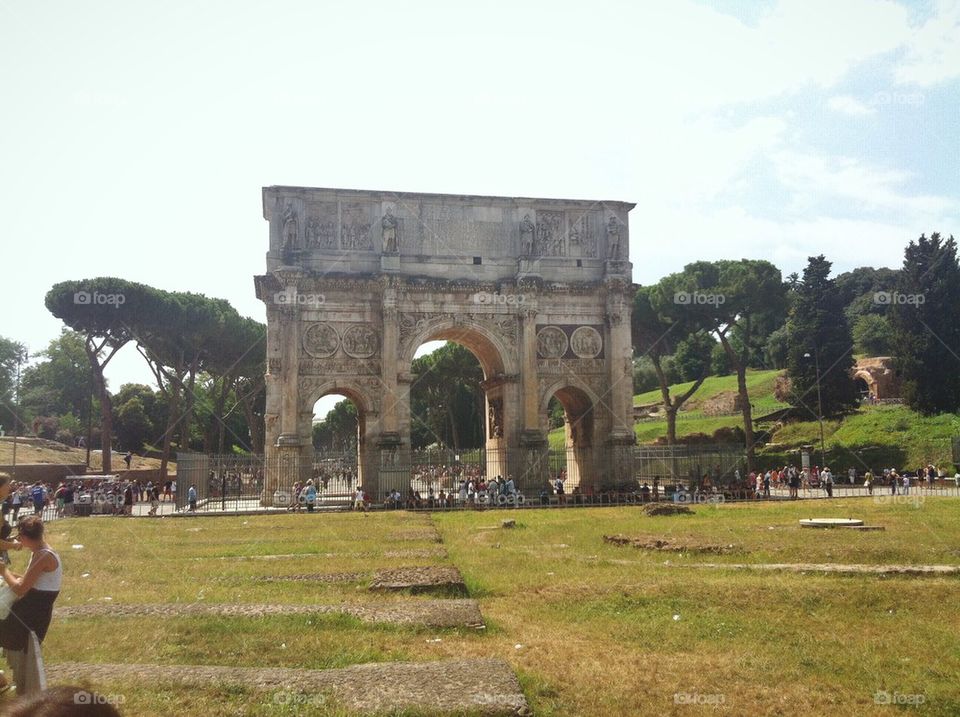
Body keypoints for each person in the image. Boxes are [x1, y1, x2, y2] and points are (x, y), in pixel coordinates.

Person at [0, 516, 61, 696]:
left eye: (20, 537)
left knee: (25, 659)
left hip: (30, 615)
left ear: (26, 537)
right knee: (23, 657)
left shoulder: (43, 556)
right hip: (30, 611)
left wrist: (4, 571)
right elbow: (28, 580)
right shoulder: (41, 552)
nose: (19, 540)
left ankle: (23, 693)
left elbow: (20, 589)